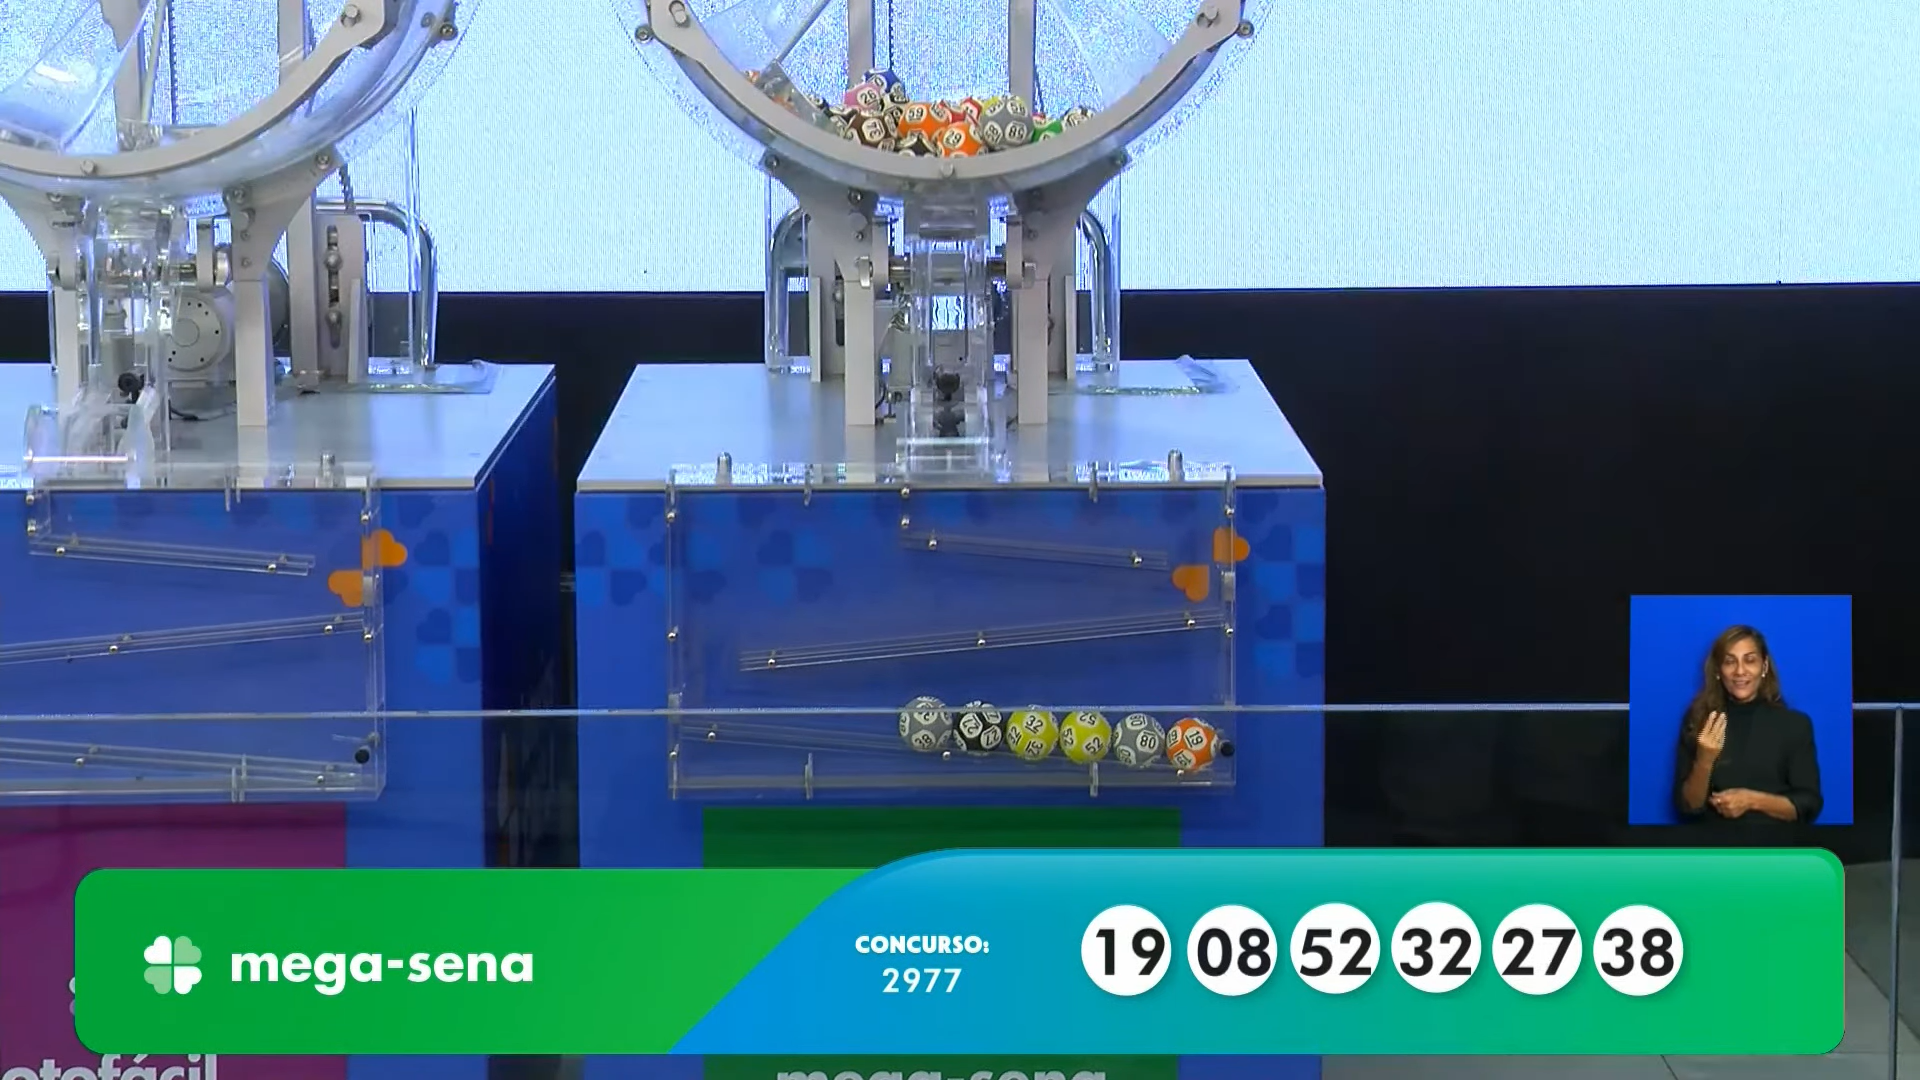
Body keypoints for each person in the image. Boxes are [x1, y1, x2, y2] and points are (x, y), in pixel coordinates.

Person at [1673, 624, 1822, 829]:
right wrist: (1704, 760)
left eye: (1750, 660)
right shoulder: (1698, 720)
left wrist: (1752, 801)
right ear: (1718, 670)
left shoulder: (1795, 725)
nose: (1740, 671)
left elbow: (1809, 805)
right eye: (1729, 661)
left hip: (1775, 844)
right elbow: (1688, 807)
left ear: (1764, 666)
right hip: (1715, 843)